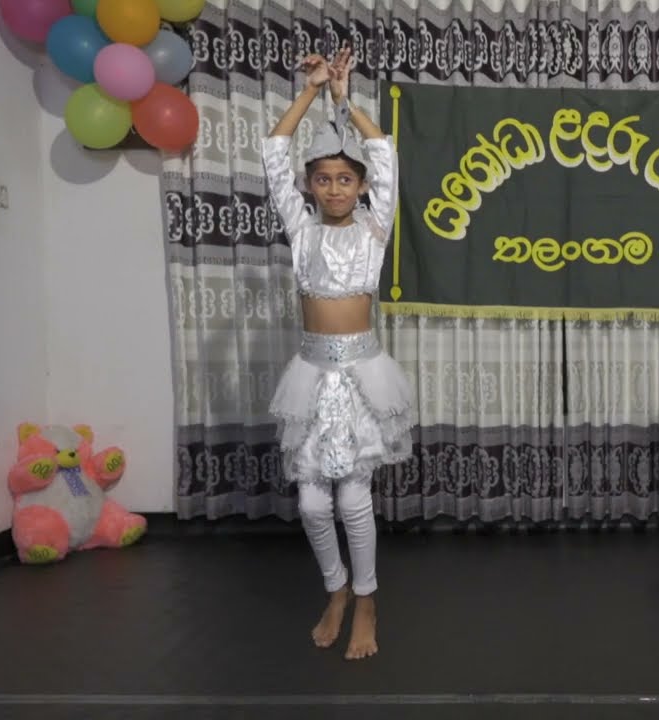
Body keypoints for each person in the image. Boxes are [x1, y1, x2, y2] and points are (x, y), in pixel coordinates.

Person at [261, 46, 414, 661]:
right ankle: (336, 589)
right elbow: (273, 153)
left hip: (361, 375)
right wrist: (310, 90)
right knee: (309, 500)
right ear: (310, 187)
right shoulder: (302, 232)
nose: (333, 189)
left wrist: (346, 101)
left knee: (353, 495)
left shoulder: (376, 230)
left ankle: (368, 599)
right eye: (322, 179)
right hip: (312, 371)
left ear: (361, 187)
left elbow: (386, 153)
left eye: (344, 179)